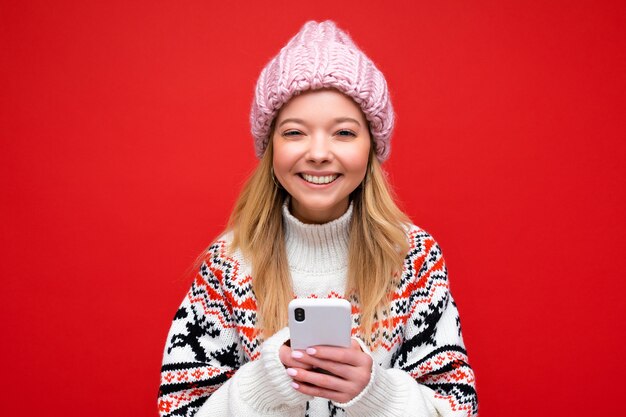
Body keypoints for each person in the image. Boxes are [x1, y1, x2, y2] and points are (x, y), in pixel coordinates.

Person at [157, 20, 477, 417]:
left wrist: (374, 393)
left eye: (343, 133)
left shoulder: (412, 258)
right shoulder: (229, 264)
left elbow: (458, 409)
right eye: (295, 133)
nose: (319, 153)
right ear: (270, 145)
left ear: (371, 147)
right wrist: (268, 382)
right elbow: (179, 410)